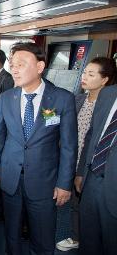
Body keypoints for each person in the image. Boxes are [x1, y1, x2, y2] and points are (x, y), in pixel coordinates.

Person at [0, 42, 78, 255]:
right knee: (11, 235)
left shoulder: (62, 99)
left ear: (39, 67)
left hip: (45, 182)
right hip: (10, 179)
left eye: (21, 64)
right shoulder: (6, 98)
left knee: (43, 239)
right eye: (12, 64)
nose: (14, 69)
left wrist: (65, 184)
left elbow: (68, 146)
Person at [56, 57, 116, 252]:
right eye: (84, 72)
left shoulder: (105, 98)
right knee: (79, 208)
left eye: (91, 74)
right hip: (80, 164)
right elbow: (83, 133)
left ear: (105, 79)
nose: (85, 77)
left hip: (103, 171)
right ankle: (77, 236)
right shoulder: (88, 97)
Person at [75, 58, 117, 255]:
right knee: (89, 239)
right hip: (92, 177)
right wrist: (82, 172)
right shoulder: (108, 95)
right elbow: (93, 135)